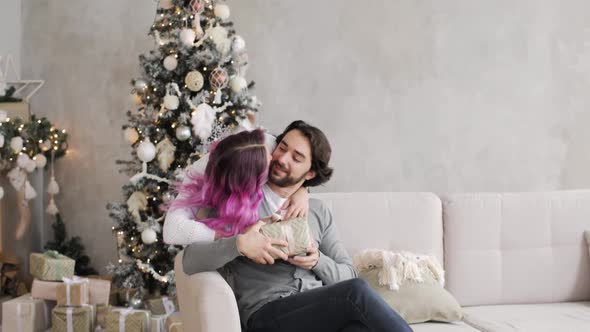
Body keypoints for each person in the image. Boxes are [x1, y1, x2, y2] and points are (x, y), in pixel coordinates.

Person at [182, 120, 413, 332]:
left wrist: (317, 260)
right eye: (282, 148)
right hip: (266, 314)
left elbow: (349, 274)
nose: (282, 159)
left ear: (310, 172)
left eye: (297, 157)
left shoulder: (317, 211)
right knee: (355, 293)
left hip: (319, 311)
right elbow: (189, 260)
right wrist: (240, 244)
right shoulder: (237, 199)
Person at [163, 129, 308, 245]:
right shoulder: (201, 173)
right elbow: (172, 232)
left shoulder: (268, 144)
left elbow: (299, 169)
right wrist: (233, 236)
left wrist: (302, 191)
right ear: (249, 183)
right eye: (268, 163)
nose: (274, 159)